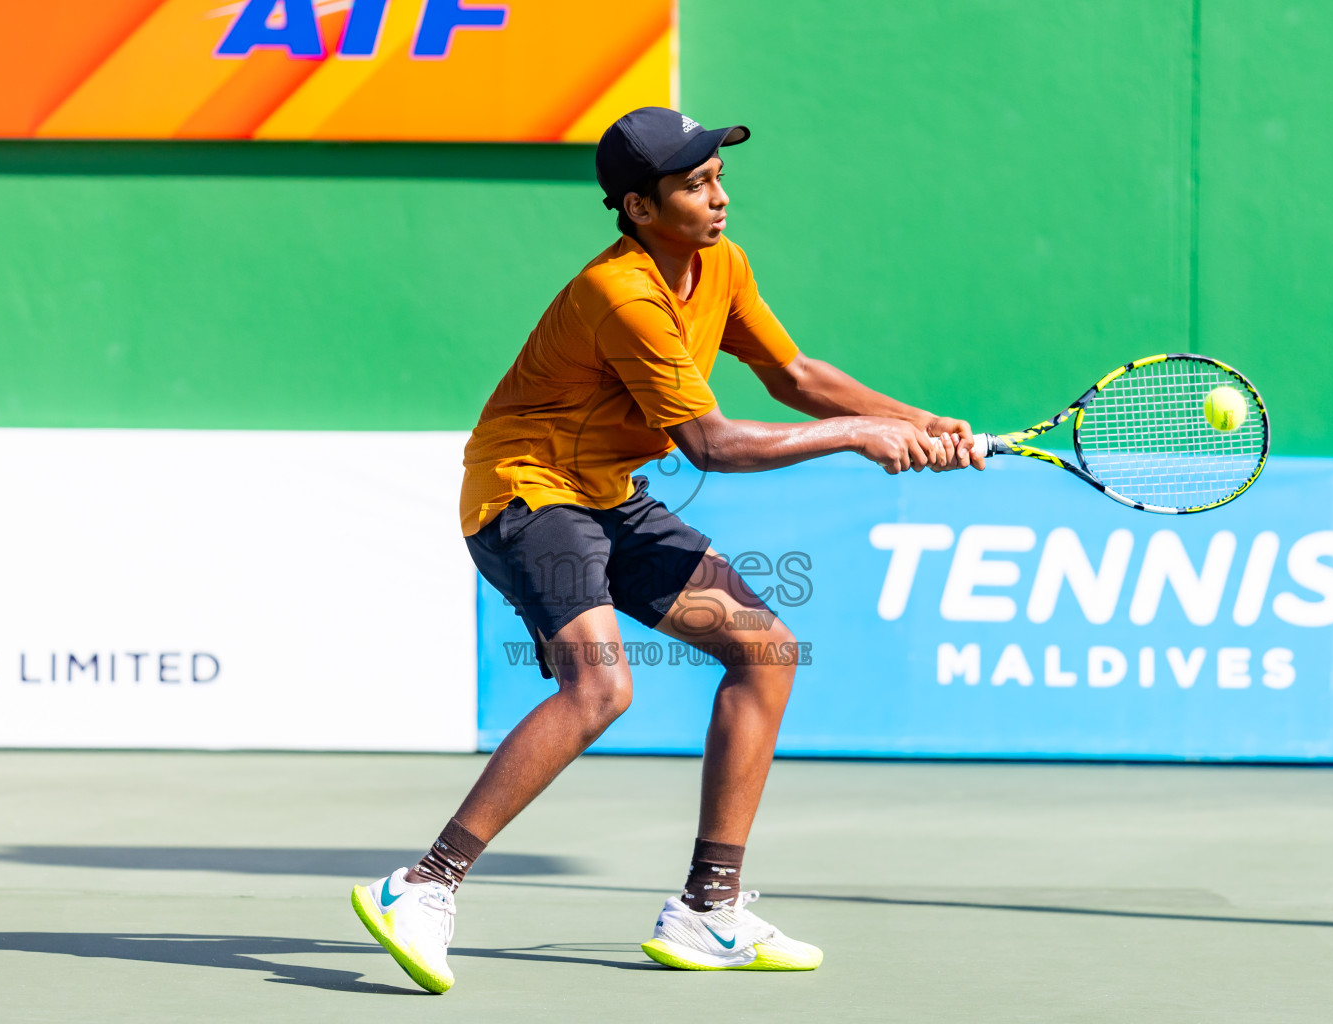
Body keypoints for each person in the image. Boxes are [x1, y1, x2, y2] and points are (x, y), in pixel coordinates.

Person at [351, 106, 983, 993]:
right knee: (602, 686)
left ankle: (707, 911)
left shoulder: (718, 263)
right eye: (694, 185)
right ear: (639, 208)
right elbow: (714, 445)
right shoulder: (623, 294)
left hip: (607, 492)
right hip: (528, 493)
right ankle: (422, 887)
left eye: (718, 176)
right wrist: (858, 437)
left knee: (763, 650)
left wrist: (914, 420)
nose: (718, 196)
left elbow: (792, 375)